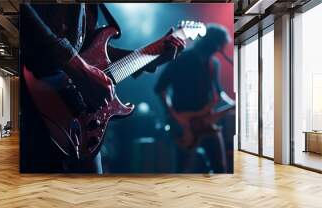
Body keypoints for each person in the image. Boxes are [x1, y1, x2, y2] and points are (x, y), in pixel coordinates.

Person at [19, 3, 186, 173]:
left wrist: (153, 56)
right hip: (34, 98)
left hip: (78, 119)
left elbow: (95, 53)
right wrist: (77, 67)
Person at [155, 24, 235, 173]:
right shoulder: (180, 59)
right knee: (182, 170)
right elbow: (160, 88)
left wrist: (234, 104)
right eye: (220, 46)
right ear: (213, 43)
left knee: (219, 169)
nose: (219, 50)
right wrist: (175, 116)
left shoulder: (213, 64)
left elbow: (219, 92)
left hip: (205, 121)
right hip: (184, 124)